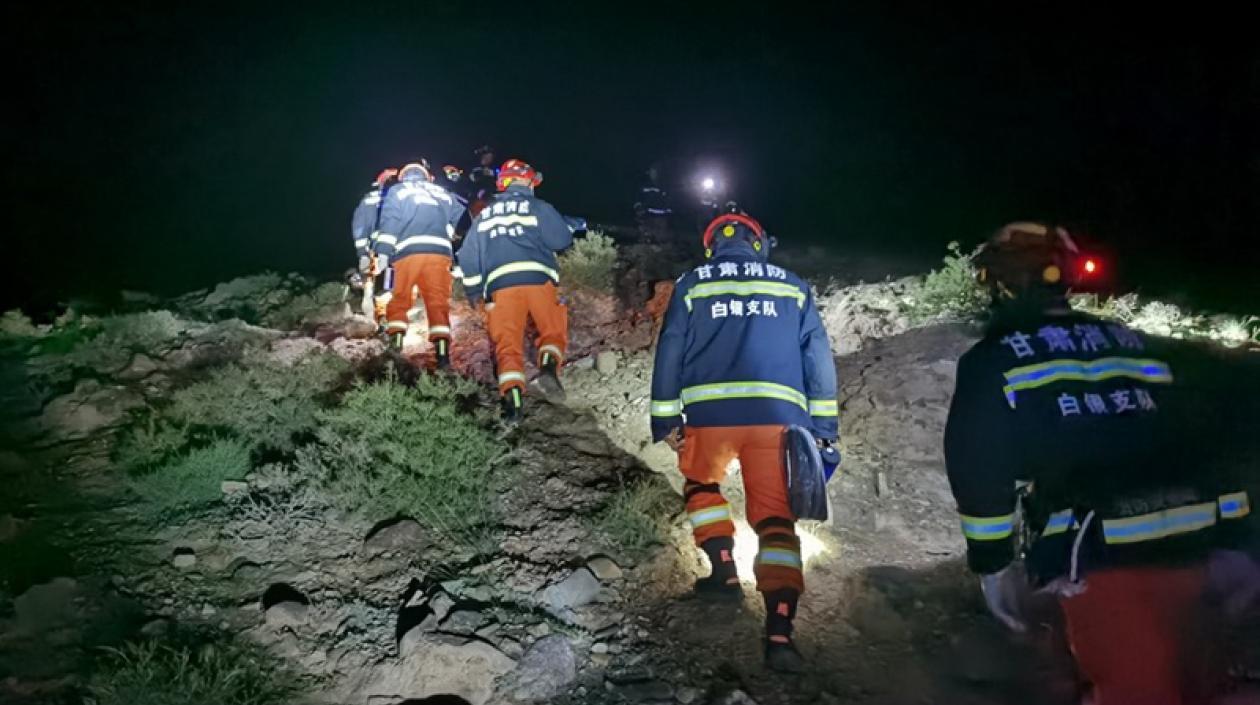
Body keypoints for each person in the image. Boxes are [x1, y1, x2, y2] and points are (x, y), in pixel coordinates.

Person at [944, 222, 1255, 704]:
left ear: (1000, 284)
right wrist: (1241, 541)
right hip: (1201, 542)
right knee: (1200, 681)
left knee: (1134, 689)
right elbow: (1207, 433)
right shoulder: (1135, 343)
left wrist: (994, 567)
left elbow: (978, 471)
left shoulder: (992, 362)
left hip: (1103, 553)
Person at [649, 209, 838, 673]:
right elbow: (818, 357)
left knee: (701, 486)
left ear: (712, 245)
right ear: (759, 242)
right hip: (778, 420)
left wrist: (665, 416)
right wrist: (825, 429)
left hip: (710, 417)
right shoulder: (792, 285)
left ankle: (724, 570)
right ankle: (779, 629)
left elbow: (671, 345)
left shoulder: (693, 282)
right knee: (777, 520)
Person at [456, 159, 584, 422]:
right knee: (552, 329)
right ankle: (548, 368)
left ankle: (513, 402)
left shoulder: (486, 215)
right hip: (539, 280)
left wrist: (473, 291)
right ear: (527, 181)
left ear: (504, 183)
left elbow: (467, 255)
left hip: (501, 288)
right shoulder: (538, 206)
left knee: (507, 343)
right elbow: (561, 240)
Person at [374, 160, 466, 364]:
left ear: (404, 176)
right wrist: (449, 232)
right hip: (439, 252)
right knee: (437, 301)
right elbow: (462, 217)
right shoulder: (442, 192)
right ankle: (442, 354)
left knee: (400, 298)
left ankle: (395, 346)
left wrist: (383, 253)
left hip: (407, 252)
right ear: (426, 176)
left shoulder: (398, 191)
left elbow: (390, 221)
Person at [350, 168, 397, 320]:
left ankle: (377, 317)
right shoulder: (395, 199)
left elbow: (359, 226)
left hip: (376, 249)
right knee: (380, 285)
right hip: (385, 250)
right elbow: (359, 225)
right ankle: (380, 319)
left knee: (374, 285)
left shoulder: (369, 199)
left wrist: (362, 252)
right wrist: (362, 253)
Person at [634, 164, 673, 244]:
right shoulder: (644, 185)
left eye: (655, 172)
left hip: (661, 218)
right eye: (652, 172)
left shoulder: (665, 185)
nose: (654, 174)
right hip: (647, 217)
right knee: (645, 238)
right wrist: (639, 210)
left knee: (661, 239)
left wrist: (669, 213)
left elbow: (669, 201)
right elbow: (638, 199)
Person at [466, 145, 498, 216]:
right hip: (474, 198)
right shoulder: (474, 167)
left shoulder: (494, 168)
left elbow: (497, 179)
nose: (487, 159)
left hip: (488, 198)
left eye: (490, 157)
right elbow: (470, 178)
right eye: (485, 157)